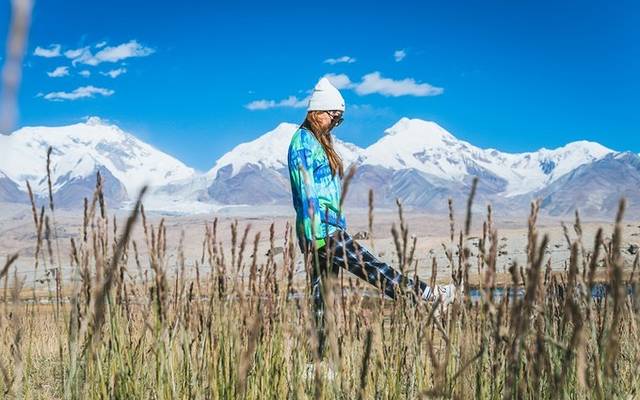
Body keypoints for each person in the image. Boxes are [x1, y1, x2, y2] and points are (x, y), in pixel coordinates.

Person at [287, 77, 457, 355]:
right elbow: (306, 191)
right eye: (334, 116)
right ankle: (427, 295)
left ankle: (318, 363)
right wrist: (314, 235)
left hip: (329, 227)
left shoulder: (319, 142)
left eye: (339, 119)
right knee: (371, 267)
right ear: (317, 111)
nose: (336, 123)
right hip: (321, 230)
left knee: (322, 297)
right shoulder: (303, 142)